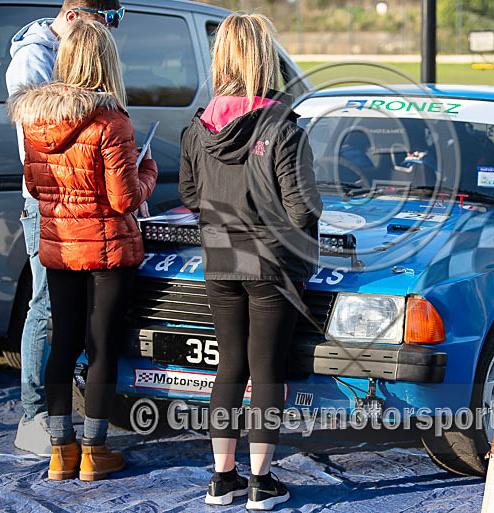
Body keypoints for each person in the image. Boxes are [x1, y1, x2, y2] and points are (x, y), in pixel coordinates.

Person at [179, 13, 321, 511]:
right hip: (272, 265)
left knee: (229, 369)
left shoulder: (198, 127)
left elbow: (191, 196)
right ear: (265, 58)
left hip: (220, 257)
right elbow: (303, 207)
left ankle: (223, 477)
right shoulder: (284, 127)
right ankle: (261, 482)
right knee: (267, 372)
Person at [7, 19, 157, 481]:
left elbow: (34, 184)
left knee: (63, 343)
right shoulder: (113, 120)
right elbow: (124, 200)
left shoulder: (34, 117)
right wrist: (146, 170)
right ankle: (94, 450)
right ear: (107, 63)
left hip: (59, 245)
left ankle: (60, 451)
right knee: (101, 348)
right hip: (108, 249)